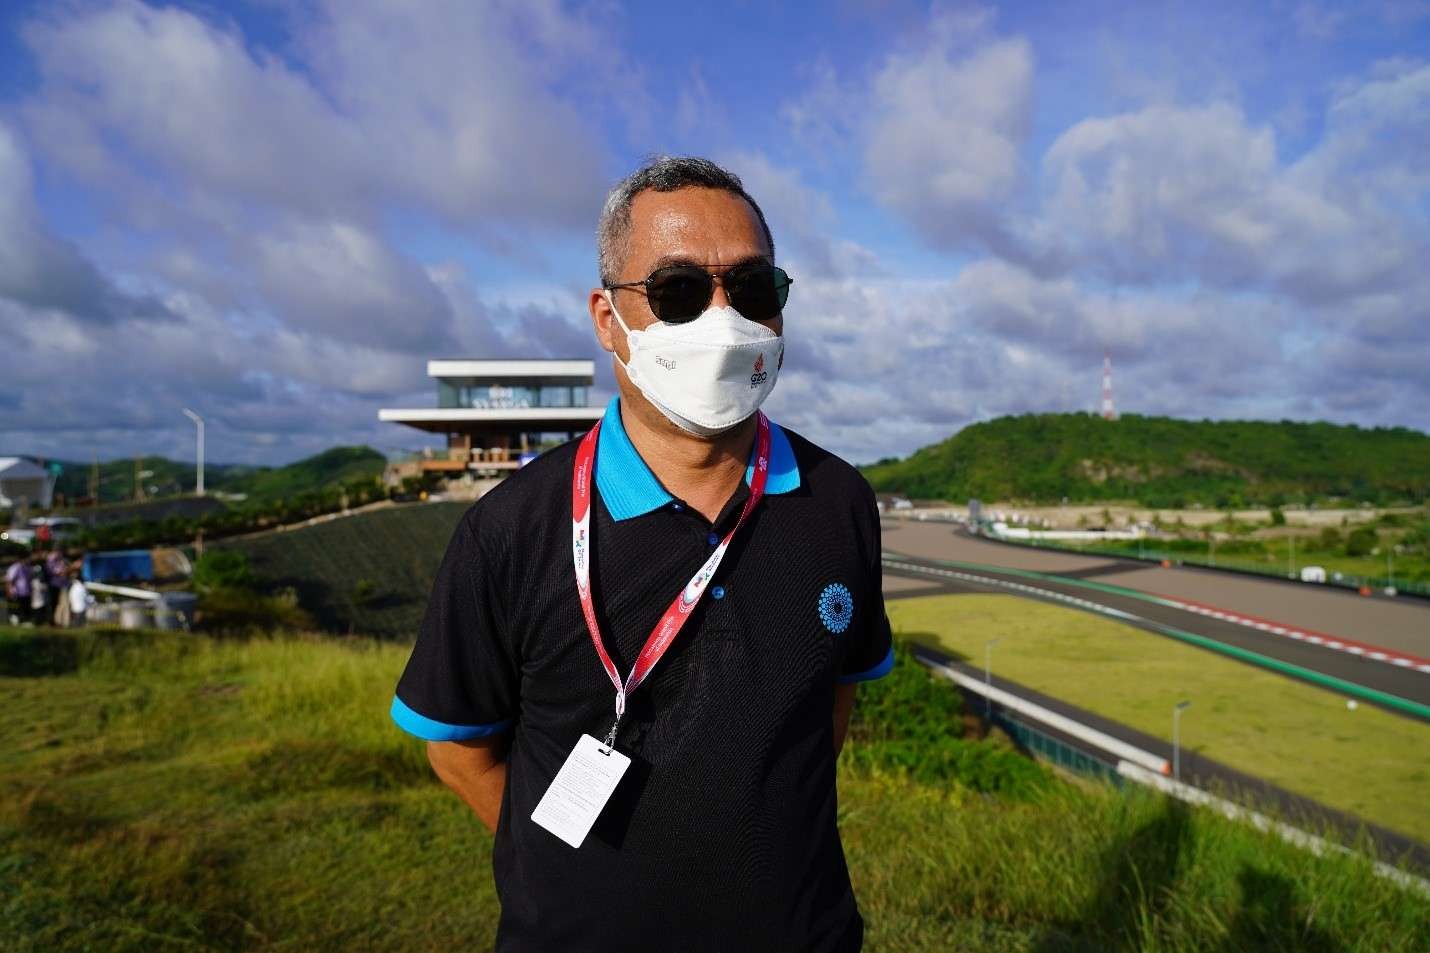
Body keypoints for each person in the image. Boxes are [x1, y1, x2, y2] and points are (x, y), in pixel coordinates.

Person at [391, 156, 893, 952]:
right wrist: (566, 868)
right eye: (680, 291)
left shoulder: (838, 502)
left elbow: (828, 705)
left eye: (754, 288)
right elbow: (457, 749)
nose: (723, 319)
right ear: (606, 317)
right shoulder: (511, 530)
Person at [5, 557, 30, 625]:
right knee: (15, 608)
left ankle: (22, 621)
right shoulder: (15, 567)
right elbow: (9, 580)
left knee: (23, 607)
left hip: (25, 592)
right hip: (17, 592)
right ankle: (14, 622)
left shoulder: (26, 567)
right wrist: (9, 590)